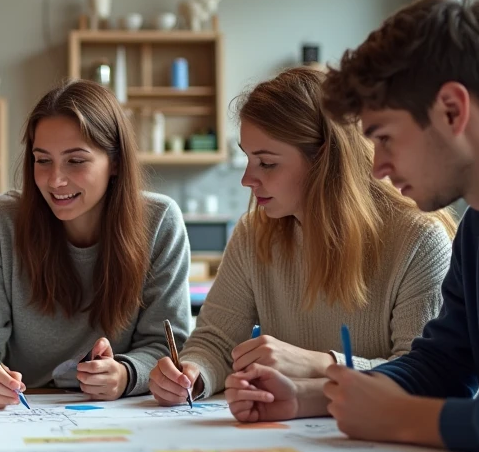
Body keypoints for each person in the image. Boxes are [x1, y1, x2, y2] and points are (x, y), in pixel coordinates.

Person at [227, 0, 479, 452]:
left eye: (383, 136)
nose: (377, 167)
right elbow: (441, 366)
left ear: (451, 110)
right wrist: (309, 399)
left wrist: (408, 420)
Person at [149, 67, 454, 405]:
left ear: (324, 160)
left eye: (266, 163)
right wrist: (193, 374)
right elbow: (217, 342)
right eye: (248, 158)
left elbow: (425, 376)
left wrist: (319, 364)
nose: (247, 179)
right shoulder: (253, 234)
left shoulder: (419, 241)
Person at [0, 79, 191, 407]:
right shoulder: (0, 221)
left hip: (117, 415)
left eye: (75, 160)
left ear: (114, 162)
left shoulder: (160, 222)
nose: (55, 180)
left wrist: (126, 374)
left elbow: (166, 349)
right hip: (19, 415)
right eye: (42, 160)